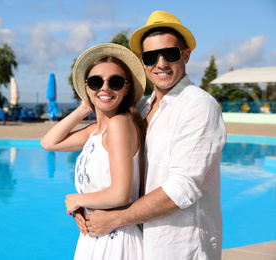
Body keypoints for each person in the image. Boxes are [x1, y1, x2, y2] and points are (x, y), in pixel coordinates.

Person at [75, 10, 227, 259]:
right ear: (142, 61)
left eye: (170, 54)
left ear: (185, 55)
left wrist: (115, 219)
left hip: (181, 247)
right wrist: (90, 209)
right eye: (151, 56)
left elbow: (182, 188)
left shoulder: (198, 105)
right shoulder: (142, 107)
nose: (161, 63)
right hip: (141, 243)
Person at [40, 43, 147, 259]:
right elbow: (49, 143)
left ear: (126, 88)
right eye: (96, 82)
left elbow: (120, 194)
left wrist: (76, 199)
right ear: (87, 87)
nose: (105, 88)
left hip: (115, 240)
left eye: (115, 82)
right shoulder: (95, 131)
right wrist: (83, 108)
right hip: (96, 235)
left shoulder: (119, 125)